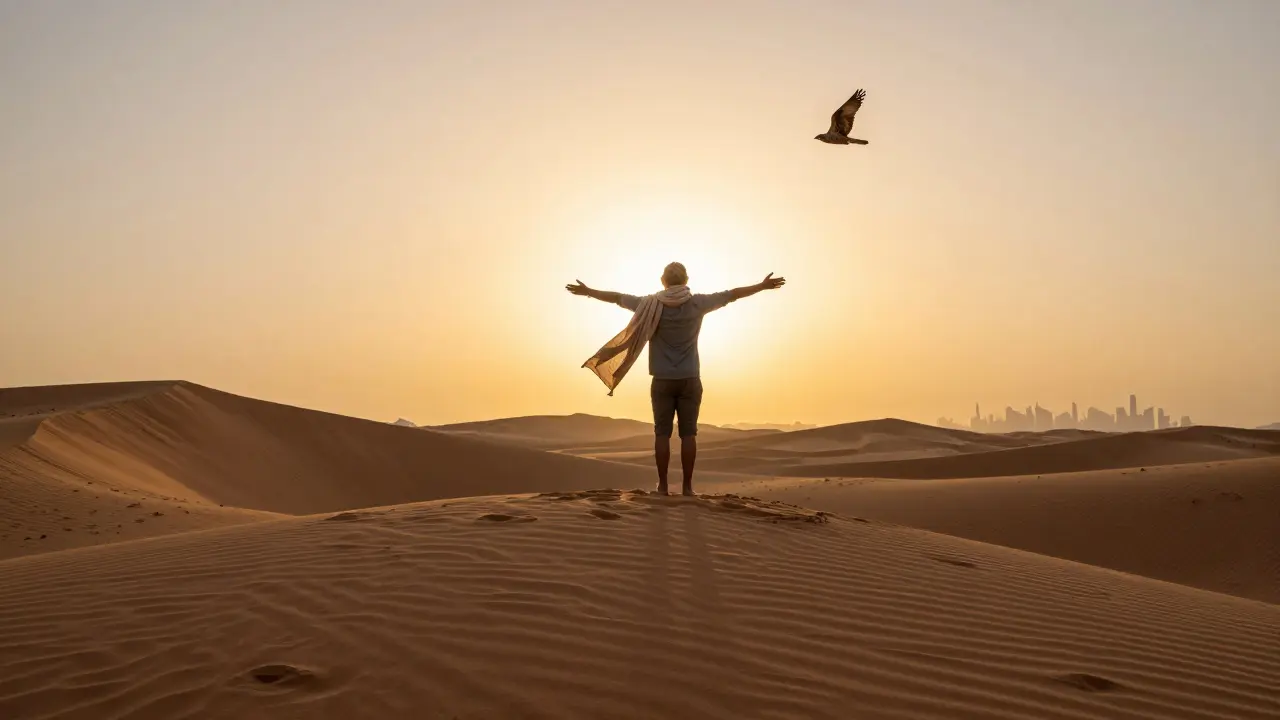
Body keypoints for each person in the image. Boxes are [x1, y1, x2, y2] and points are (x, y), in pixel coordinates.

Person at [566, 262, 785, 496]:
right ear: (686, 280)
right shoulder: (698, 303)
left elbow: (617, 298)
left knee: (662, 434)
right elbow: (733, 294)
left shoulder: (648, 304)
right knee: (688, 434)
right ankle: (687, 487)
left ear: (663, 281)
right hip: (690, 378)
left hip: (662, 380)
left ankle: (662, 487)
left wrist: (589, 292)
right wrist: (761, 286)